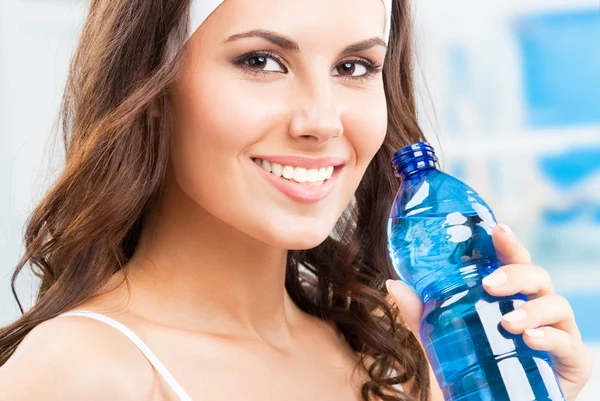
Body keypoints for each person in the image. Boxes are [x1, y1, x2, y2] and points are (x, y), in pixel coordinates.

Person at [0, 0, 593, 400]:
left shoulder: (395, 349)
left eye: (355, 66)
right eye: (260, 61)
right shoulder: (85, 371)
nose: (322, 120)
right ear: (151, 85)